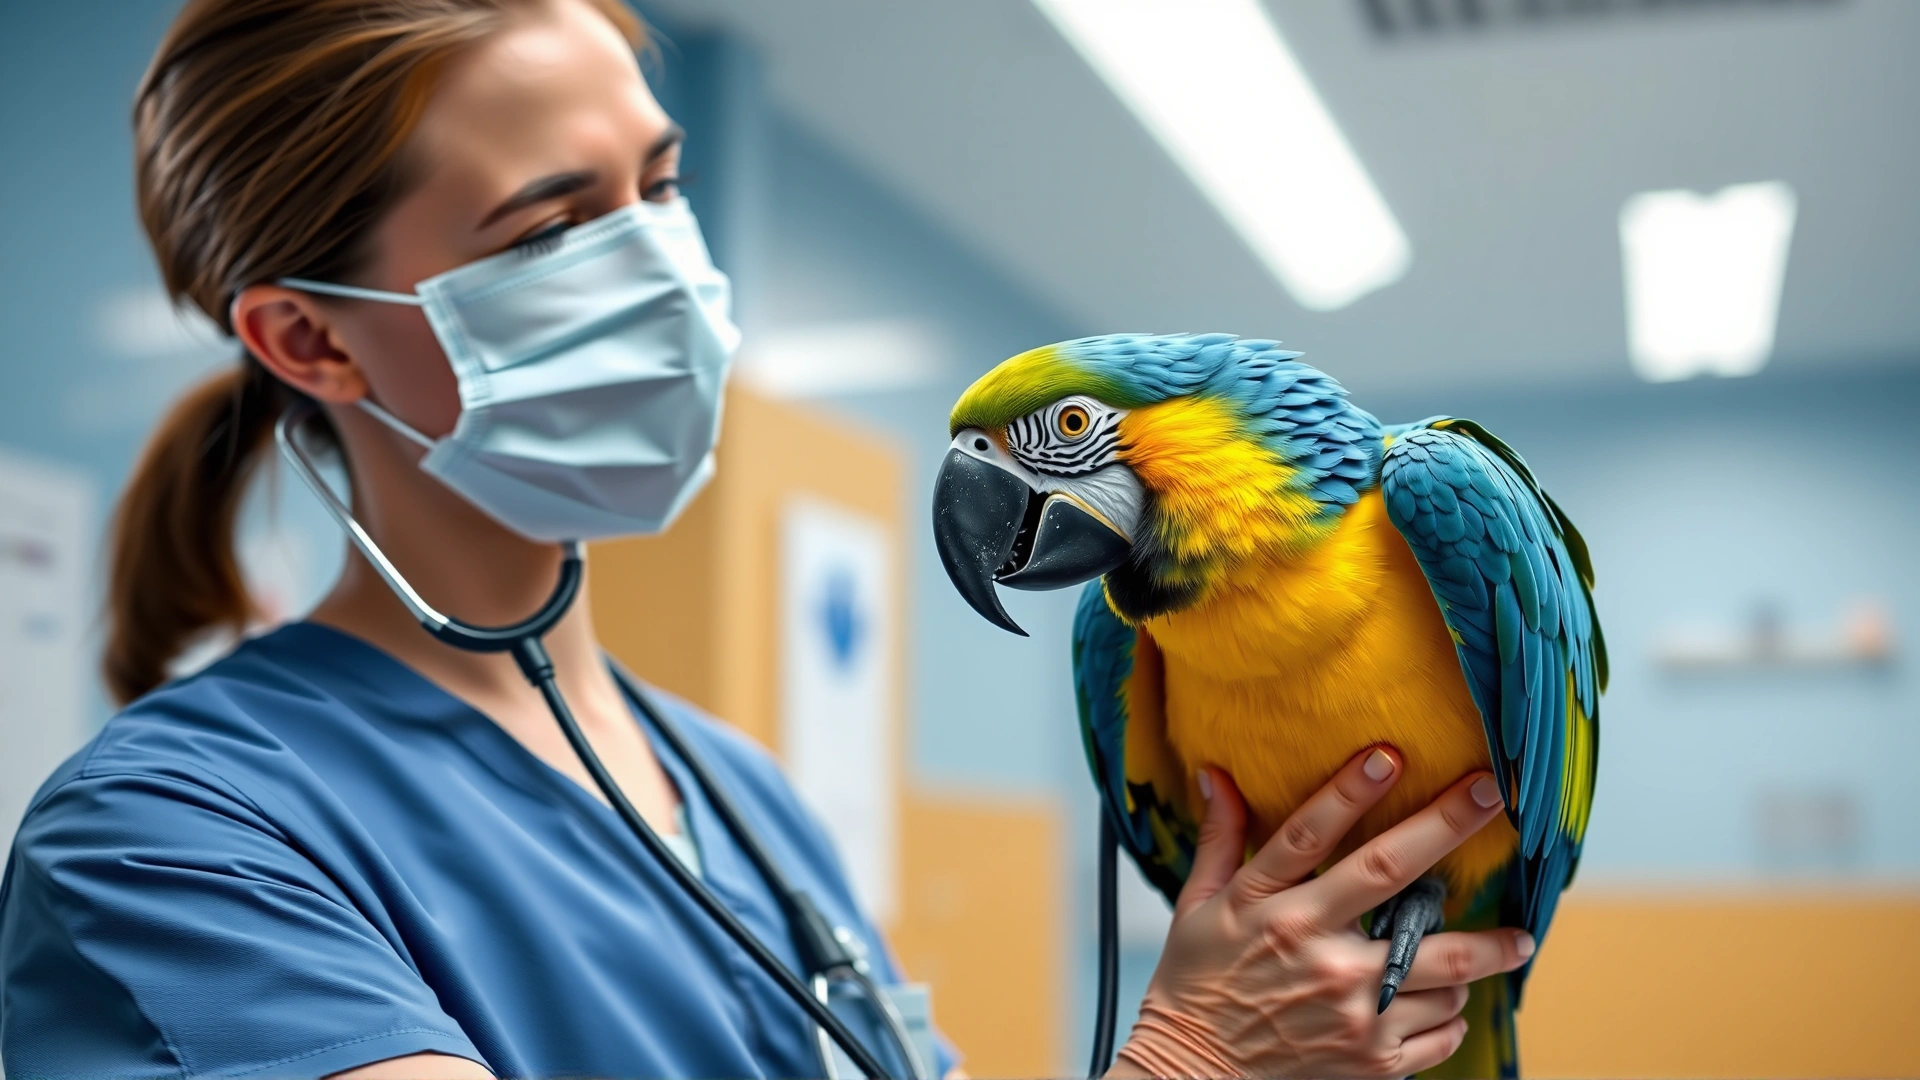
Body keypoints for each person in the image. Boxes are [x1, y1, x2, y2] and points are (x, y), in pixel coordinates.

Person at [0, 0, 1534, 1075]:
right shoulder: (169, 842)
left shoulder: (741, 798)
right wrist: (1193, 1061)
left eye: (658, 189)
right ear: (312, 343)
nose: (665, 270)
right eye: (552, 229)